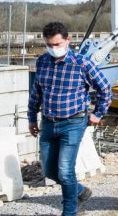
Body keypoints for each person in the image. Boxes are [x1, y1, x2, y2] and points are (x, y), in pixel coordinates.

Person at [28, 22, 112, 216]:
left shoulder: (82, 63)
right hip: (48, 123)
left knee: (65, 171)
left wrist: (98, 114)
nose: (54, 49)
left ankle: (70, 211)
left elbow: (105, 88)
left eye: (57, 44)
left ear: (68, 40)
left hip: (73, 123)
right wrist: (32, 118)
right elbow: (36, 93)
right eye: (50, 45)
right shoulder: (42, 62)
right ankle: (81, 192)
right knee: (49, 171)